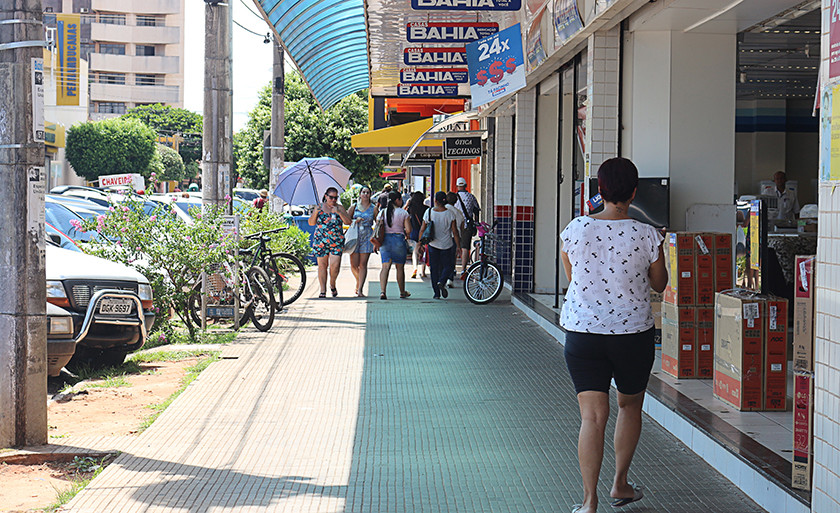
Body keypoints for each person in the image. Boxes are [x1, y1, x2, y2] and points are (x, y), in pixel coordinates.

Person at [558, 157, 668, 513]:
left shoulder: (576, 229)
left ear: (599, 191)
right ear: (633, 193)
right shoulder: (647, 233)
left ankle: (589, 502)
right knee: (629, 405)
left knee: (591, 416)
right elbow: (660, 284)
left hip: (583, 332)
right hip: (631, 333)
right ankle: (620, 484)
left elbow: (572, 276)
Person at [308, 187, 351, 298]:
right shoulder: (319, 207)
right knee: (322, 266)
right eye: (331, 197)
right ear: (326, 196)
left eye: (335, 197)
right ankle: (322, 290)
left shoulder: (340, 207)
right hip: (321, 240)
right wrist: (315, 213)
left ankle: (332, 284)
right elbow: (311, 223)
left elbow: (348, 222)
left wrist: (339, 213)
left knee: (335, 266)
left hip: (336, 241)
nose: (333, 200)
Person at [419, 191, 460, 299]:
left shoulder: (429, 212)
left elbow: (422, 229)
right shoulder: (450, 214)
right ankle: (442, 281)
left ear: (435, 200)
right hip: (447, 245)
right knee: (448, 266)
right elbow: (455, 231)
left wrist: (420, 243)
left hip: (433, 245)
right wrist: (458, 246)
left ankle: (436, 293)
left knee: (434, 269)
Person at [377, 191, 412, 300]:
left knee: (385, 267)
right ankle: (402, 292)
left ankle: (383, 292)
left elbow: (378, 227)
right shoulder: (403, 213)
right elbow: (409, 230)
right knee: (400, 268)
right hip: (399, 241)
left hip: (385, 241)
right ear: (397, 200)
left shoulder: (382, 212)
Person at [348, 186, 375, 297]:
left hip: (367, 236)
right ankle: (359, 281)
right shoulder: (354, 207)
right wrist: (355, 220)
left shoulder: (373, 208)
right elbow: (346, 220)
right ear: (359, 194)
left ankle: (360, 289)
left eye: (367, 192)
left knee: (363, 264)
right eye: (363, 192)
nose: (365, 194)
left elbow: (378, 223)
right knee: (354, 265)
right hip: (355, 236)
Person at [455, 177, 480, 278]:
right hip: (467, 226)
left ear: (457, 186)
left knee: (455, 246)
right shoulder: (471, 197)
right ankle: (463, 269)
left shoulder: (454, 198)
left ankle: (452, 268)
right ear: (465, 186)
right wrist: (476, 222)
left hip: (455, 225)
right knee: (465, 247)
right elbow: (476, 210)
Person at [407, 191, 429, 279]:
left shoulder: (411, 209)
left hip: (414, 231)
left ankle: (415, 268)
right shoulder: (426, 209)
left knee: (415, 251)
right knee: (423, 251)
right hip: (424, 232)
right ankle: (423, 271)